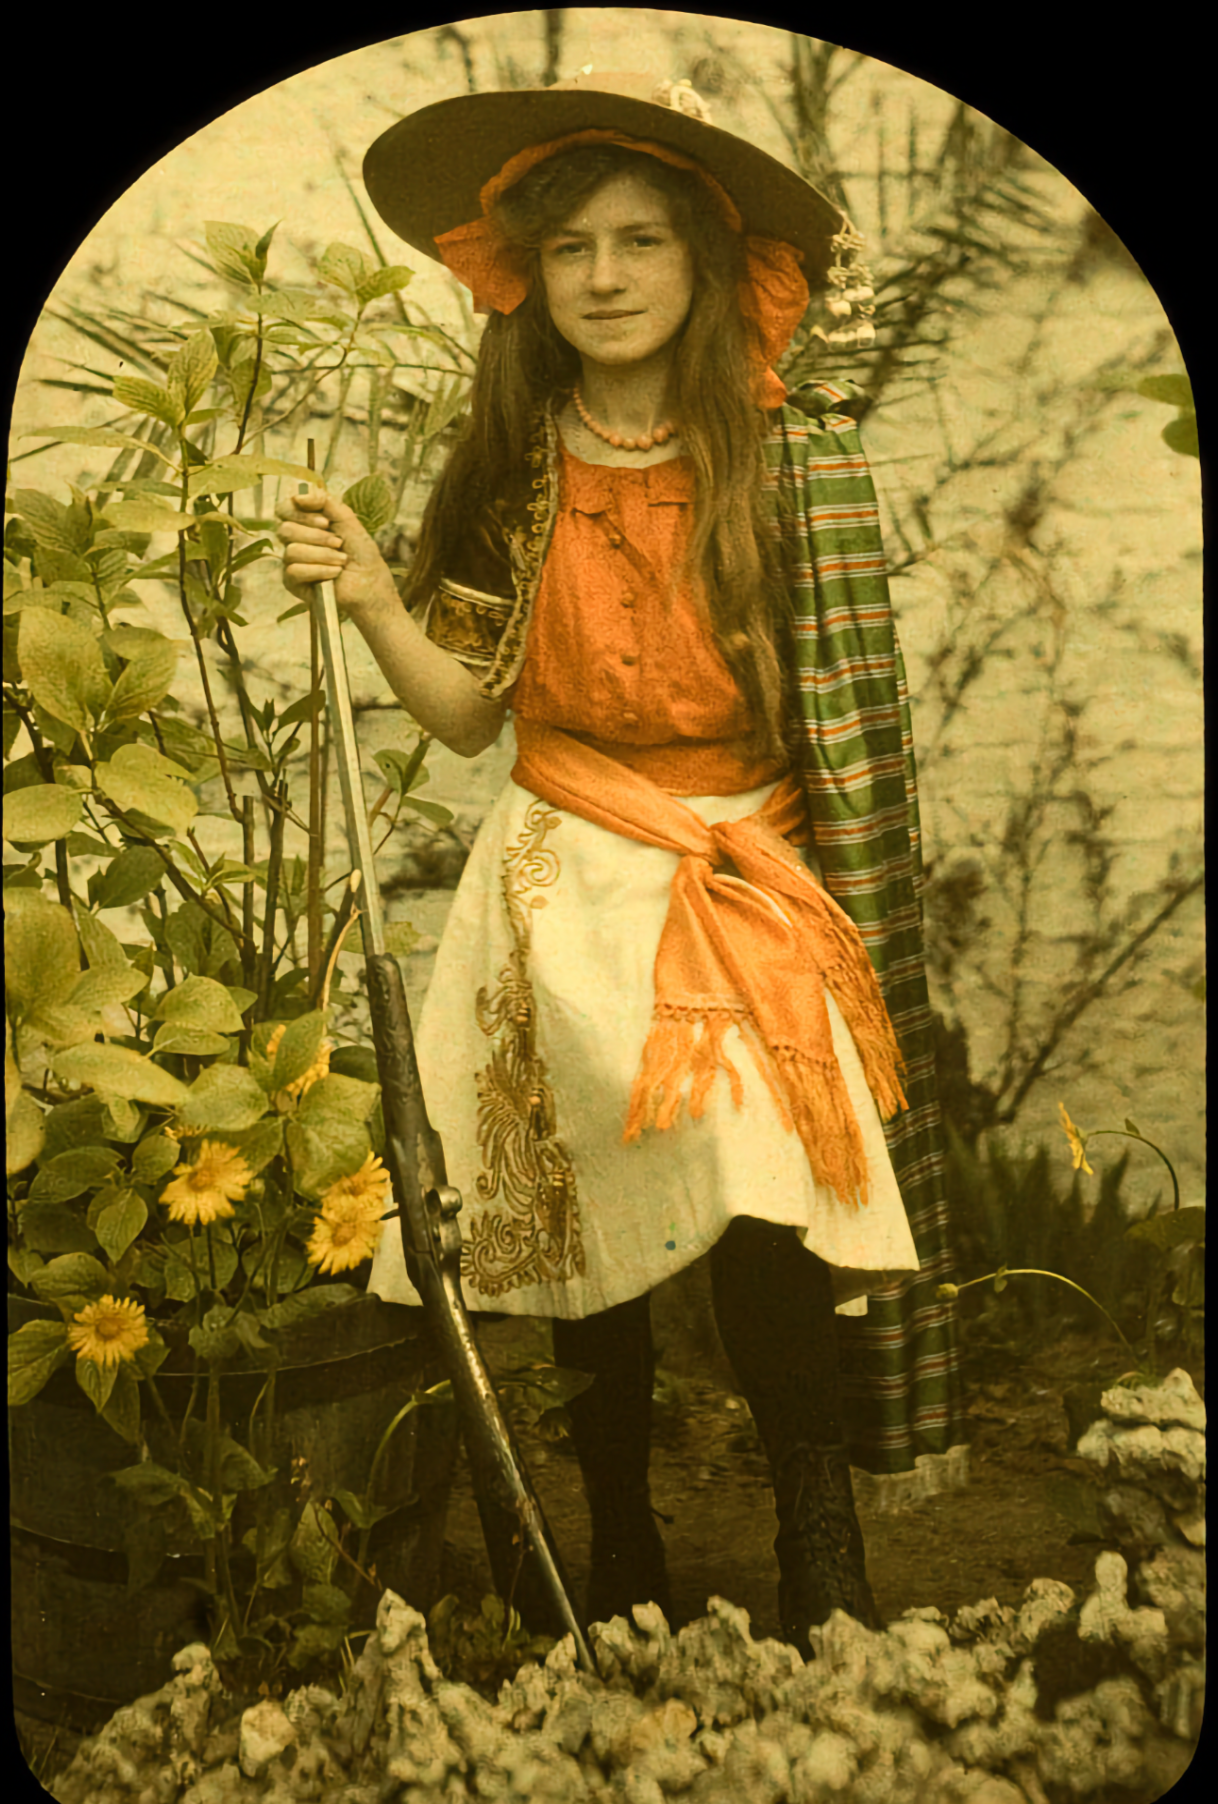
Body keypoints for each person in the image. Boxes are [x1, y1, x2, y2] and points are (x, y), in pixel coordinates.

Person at [277, 71, 963, 1658]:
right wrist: (376, 595)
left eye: (641, 239)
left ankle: (817, 1533)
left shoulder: (795, 464)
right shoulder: (514, 473)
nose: (603, 274)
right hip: (560, 883)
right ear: (528, 271)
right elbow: (464, 720)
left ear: (708, 264)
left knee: (768, 1199)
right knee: (581, 1222)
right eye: (571, 243)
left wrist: (794, 872)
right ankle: (617, 1534)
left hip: (737, 880)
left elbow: (846, 733)